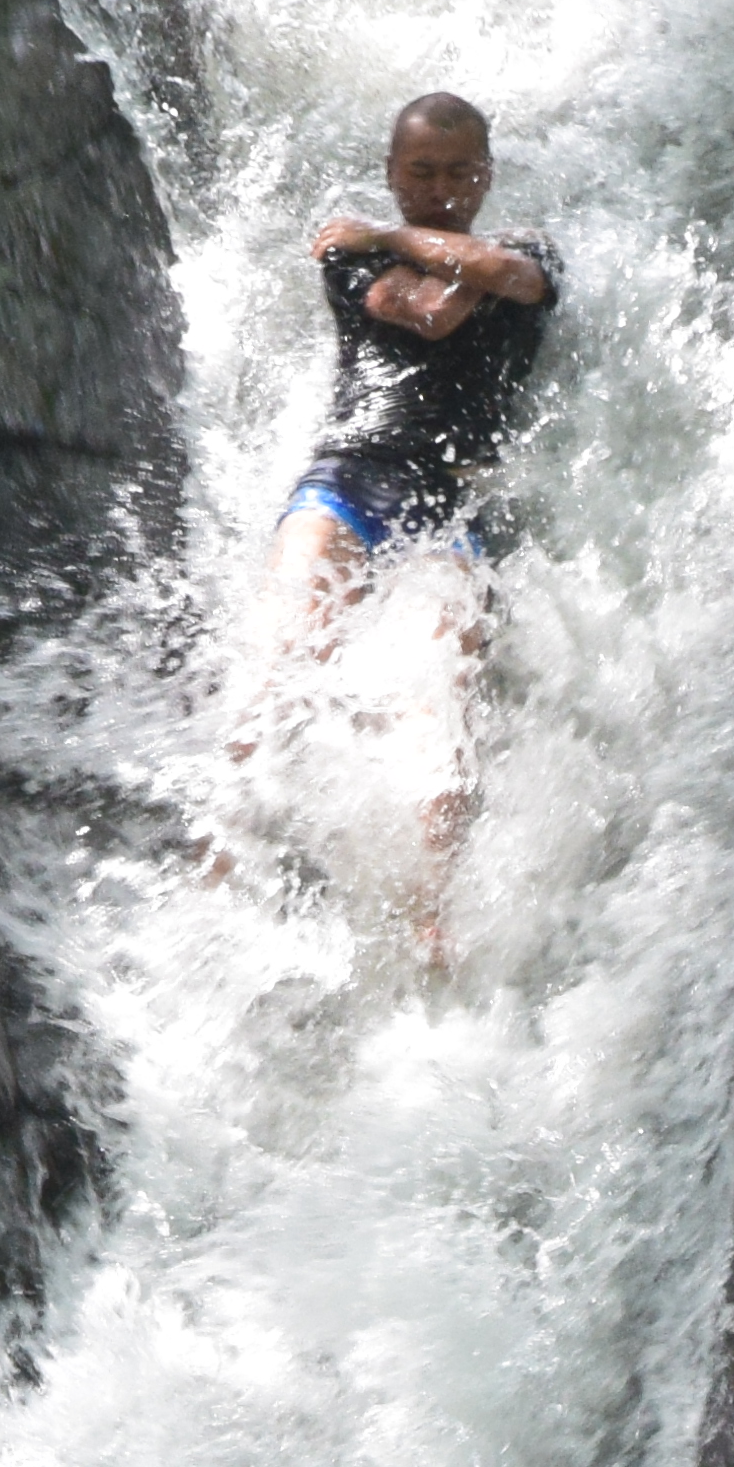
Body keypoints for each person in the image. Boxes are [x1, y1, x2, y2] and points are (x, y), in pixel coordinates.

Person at [225, 89, 561, 956]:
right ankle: (224, 850)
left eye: (458, 173)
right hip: (349, 476)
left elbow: (496, 279)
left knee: (438, 699)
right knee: (277, 655)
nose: (441, 188)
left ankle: (430, 911)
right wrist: (421, 260)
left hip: (451, 503)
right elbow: (431, 311)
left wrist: (387, 236)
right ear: (392, 173)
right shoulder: (345, 264)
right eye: (420, 174)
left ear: (487, 174)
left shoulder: (525, 252)